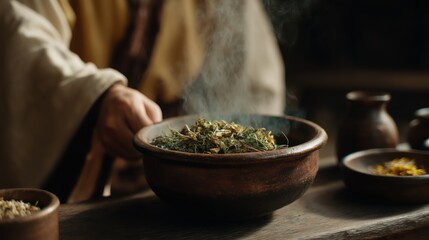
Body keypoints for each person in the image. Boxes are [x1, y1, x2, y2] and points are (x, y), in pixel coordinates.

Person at [0, 0, 285, 202]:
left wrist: (244, 168)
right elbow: (19, 32)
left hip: (180, 183)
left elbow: (251, 75)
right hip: (81, 164)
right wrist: (96, 94)